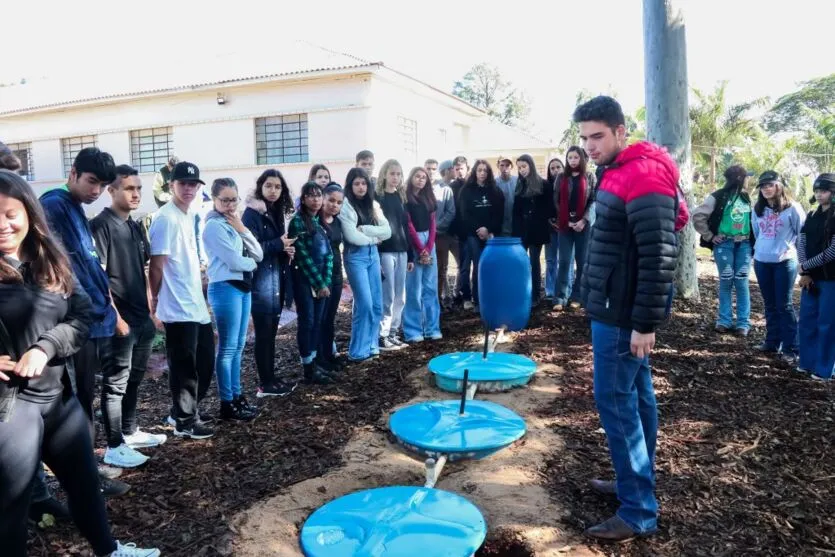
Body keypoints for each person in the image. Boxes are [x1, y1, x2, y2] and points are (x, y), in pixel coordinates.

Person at [0, 169, 160, 557]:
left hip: (57, 400)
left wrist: (46, 347)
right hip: (10, 410)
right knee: (11, 506)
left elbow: (81, 316)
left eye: (9, 214)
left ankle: (109, 550)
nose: (2, 226)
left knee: (85, 485)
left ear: (28, 213)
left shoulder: (50, 260)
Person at [576, 96, 681, 542]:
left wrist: (644, 324)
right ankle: (634, 483)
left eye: (597, 136)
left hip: (623, 315)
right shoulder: (619, 170)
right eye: (583, 138)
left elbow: (660, 255)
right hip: (614, 306)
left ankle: (638, 509)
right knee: (637, 400)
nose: (590, 146)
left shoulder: (643, 173)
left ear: (621, 131)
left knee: (616, 403)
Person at [40, 147, 130, 495]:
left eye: (102, 184)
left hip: (93, 319)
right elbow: (64, 269)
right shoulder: (54, 206)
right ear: (73, 172)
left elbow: (90, 265)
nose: (96, 191)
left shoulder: (74, 207)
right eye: (91, 181)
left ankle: (89, 470)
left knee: (86, 397)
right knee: (78, 400)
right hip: (75, 323)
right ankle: (85, 478)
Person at [91, 165, 167, 470]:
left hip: (141, 318)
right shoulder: (101, 226)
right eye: (128, 188)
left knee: (135, 378)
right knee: (115, 384)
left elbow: (143, 270)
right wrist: (116, 318)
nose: (135, 194)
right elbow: (100, 278)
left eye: (138, 188)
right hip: (118, 321)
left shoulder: (135, 226)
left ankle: (130, 430)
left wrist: (150, 309)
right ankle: (113, 446)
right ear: (112, 191)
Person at [149, 161, 216, 440]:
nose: (188, 189)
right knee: (185, 368)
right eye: (183, 184)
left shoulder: (188, 215)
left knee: (204, 362)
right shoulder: (165, 218)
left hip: (195, 304)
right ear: (171, 186)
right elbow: (156, 265)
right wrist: (153, 301)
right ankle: (185, 421)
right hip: (177, 307)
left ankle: (183, 410)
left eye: (193, 184)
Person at [203, 178, 263, 420]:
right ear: (214, 199)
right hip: (225, 287)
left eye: (233, 199)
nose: (229, 205)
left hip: (241, 286)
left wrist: (242, 229)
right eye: (224, 200)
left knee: (238, 346)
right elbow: (236, 261)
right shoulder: (213, 227)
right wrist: (252, 265)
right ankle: (227, 402)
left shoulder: (233, 223)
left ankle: (238, 396)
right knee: (227, 349)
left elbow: (258, 252)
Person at [242, 169, 297, 397]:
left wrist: (286, 250)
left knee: (271, 334)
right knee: (264, 335)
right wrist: (279, 244)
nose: (273, 191)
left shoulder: (275, 212)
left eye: (277, 187)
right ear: (260, 187)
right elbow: (252, 250)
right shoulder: (251, 214)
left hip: (275, 281)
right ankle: (264, 384)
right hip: (261, 283)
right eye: (268, 186)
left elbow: (275, 247)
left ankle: (271, 378)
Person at [751, 171, 805, 364]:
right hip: (761, 261)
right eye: (763, 186)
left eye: (769, 185)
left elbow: (802, 235)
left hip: (785, 262)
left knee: (784, 305)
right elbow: (757, 234)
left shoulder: (793, 208)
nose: (766, 189)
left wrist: (802, 263)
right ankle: (772, 341)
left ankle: (791, 347)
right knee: (769, 304)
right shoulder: (757, 209)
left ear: (779, 186)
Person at [692, 165, 753, 335]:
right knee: (726, 281)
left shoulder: (746, 197)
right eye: (747, 177)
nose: (749, 180)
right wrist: (710, 236)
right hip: (724, 244)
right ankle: (724, 320)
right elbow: (698, 215)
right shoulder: (717, 196)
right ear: (740, 179)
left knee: (741, 281)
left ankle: (743, 323)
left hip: (745, 244)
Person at [339, 168, 391, 362]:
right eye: (356, 183)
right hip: (356, 257)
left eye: (364, 183)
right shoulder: (346, 206)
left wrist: (366, 230)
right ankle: (357, 351)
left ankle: (371, 345)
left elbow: (387, 231)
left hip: (373, 256)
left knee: (377, 303)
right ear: (350, 186)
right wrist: (373, 238)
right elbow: (352, 236)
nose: (361, 187)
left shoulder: (373, 204)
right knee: (365, 304)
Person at [288, 182, 334, 384]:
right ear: (304, 199)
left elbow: (329, 255)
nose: (316, 199)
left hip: (322, 281)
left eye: (318, 195)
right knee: (307, 322)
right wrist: (319, 283)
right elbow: (303, 257)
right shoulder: (298, 222)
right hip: (305, 281)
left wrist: (326, 281)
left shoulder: (320, 221)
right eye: (311, 195)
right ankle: (308, 367)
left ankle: (315, 363)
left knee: (317, 322)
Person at [798, 173, 835, 381]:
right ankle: (806, 362)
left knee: (827, 323)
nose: (820, 195)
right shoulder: (812, 215)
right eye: (818, 191)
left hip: (831, 278)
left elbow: (832, 251)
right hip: (810, 278)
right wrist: (805, 271)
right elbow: (801, 240)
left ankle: (824, 369)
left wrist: (805, 265)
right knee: (807, 320)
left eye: (825, 191)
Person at [553, 146, 597, 311]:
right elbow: (556, 200)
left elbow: (594, 200)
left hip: (583, 227)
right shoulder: (560, 178)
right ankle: (560, 297)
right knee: (564, 261)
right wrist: (566, 220)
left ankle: (578, 296)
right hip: (565, 226)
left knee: (582, 261)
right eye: (570, 157)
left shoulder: (590, 176)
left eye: (575, 157)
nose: (572, 161)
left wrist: (584, 220)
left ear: (582, 159)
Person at [376, 159, 413, 350]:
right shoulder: (378, 197)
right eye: (392, 173)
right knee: (387, 295)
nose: (395, 177)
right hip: (385, 251)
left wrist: (411, 255)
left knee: (401, 296)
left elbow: (405, 226)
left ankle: (393, 332)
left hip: (402, 250)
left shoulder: (400, 196)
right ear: (384, 174)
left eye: (399, 174)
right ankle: (382, 336)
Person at [457, 160, 504, 311]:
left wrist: (488, 229)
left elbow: (499, 214)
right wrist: (479, 229)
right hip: (473, 234)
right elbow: (465, 214)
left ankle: (490, 298)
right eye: (479, 170)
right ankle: (478, 301)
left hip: (490, 235)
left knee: (490, 265)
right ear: (475, 172)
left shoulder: (496, 191)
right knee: (478, 265)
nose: (482, 173)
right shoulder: (466, 190)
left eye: (485, 170)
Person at [403, 167, 442, 342]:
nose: (420, 180)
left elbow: (433, 224)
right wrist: (420, 249)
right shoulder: (405, 199)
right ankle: (413, 330)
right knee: (414, 288)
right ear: (411, 178)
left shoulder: (429, 198)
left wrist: (429, 246)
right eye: (417, 176)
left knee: (430, 287)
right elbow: (409, 225)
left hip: (429, 241)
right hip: (414, 242)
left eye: (424, 177)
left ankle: (432, 327)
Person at [512, 154, 554, 304]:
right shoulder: (519, 185)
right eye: (519, 167)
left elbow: (549, 208)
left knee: (534, 261)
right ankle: (523, 291)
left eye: (524, 166)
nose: (522, 170)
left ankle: (536, 294)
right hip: (522, 231)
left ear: (531, 165)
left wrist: (537, 218)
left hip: (537, 230)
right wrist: (516, 231)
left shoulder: (543, 184)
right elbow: (516, 211)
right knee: (522, 262)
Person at [318, 184, 346, 372]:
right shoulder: (315, 221)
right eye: (331, 200)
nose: (335, 205)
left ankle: (329, 355)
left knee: (329, 319)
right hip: (321, 276)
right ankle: (318, 359)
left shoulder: (337, 222)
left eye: (339, 202)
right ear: (323, 199)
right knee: (320, 319)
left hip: (336, 274)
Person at [434, 160, 457, 309]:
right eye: (453, 168)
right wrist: (435, 228)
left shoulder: (450, 188)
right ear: (447, 170)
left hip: (452, 234)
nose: (456, 170)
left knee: (458, 265)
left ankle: (453, 295)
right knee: (440, 268)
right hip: (438, 237)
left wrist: (439, 226)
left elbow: (451, 211)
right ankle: (438, 300)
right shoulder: (435, 189)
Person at [450, 155, 473, 308]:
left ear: (467, 169)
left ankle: (479, 294)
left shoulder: (474, 185)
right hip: (461, 234)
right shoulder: (451, 188)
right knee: (464, 267)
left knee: (478, 266)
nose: (459, 171)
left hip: (476, 232)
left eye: (462, 168)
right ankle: (466, 297)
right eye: (457, 169)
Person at [544, 157, 566, 302]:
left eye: (558, 167)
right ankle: (550, 290)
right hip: (550, 228)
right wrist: (550, 220)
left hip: (566, 228)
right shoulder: (545, 186)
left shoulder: (568, 184)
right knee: (551, 260)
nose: (555, 170)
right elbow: (542, 207)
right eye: (552, 168)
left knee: (565, 260)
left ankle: (564, 290)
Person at [495, 155, 518, 237]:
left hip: (515, 222)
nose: (505, 168)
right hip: (500, 224)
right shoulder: (494, 183)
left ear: (511, 166)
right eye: (502, 165)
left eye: (507, 165)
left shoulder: (518, 181)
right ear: (498, 166)